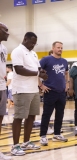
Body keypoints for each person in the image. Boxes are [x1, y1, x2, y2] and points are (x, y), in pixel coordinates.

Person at [11, 32, 48, 156]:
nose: (33, 45)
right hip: (21, 89)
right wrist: (38, 74)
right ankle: (15, 146)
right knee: (19, 117)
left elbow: (37, 69)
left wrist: (42, 73)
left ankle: (26, 142)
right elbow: (18, 69)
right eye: (31, 42)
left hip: (33, 89)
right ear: (25, 39)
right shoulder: (17, 51)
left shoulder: (33, 53)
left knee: (31, 116)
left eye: (35, 43)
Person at [39, 41, 69, 146]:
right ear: (53, 48)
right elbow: (37, 72)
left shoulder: (64, 61)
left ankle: (57, 134)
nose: (60, 49)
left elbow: (66, 73)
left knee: (60, 114)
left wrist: (67, 84)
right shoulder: (46, 60)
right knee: (47, 114)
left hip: (61, 92)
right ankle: (43, 136)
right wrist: (41, 85)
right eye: (58, 47)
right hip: (50, 91)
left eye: (61, 47)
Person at [0, 22, 12, 160]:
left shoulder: (4, 48)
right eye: (5, 30)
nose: (8, 33)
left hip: (2, 87)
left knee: (1, 118)